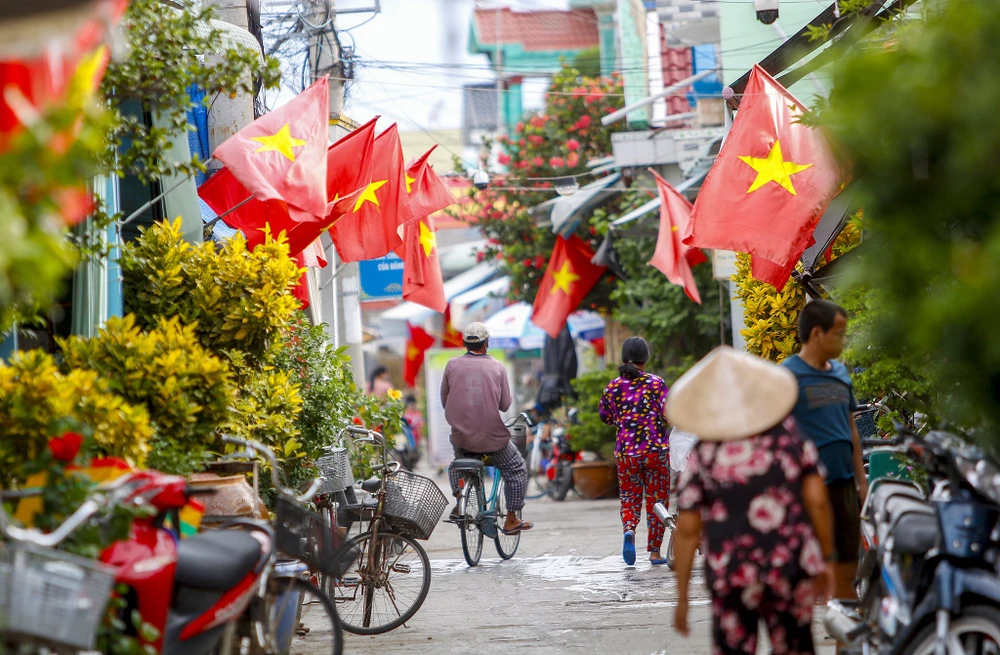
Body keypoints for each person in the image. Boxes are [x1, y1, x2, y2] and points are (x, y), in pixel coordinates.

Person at [670, 347, 836, 655]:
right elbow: (817, 500)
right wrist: (825, 558)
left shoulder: (706, 452)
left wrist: (682, 598)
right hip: (789, 566)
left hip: (731, 573)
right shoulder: (788, 437)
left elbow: (688, 527)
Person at [781, 299, 866, 604]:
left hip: (844, 486)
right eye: (839, 333)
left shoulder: (841, 373)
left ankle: (847, 645)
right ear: (817, 334)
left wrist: (861, 483)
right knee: (806, 577)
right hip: (806, 492)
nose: (843, 341)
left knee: (847, 573)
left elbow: (851, 429)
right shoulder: (787, 376)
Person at [441, 322, 533, 535]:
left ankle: (459, 500)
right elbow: (505, 405)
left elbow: (445, 401)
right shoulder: (497, 366)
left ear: (464, 343)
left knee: (459, 463)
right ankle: (511, 519)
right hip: (493, 439)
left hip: (461, 436)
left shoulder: (451, 365)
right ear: (487, 343)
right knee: (516, 468)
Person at [599, 337, 671, 566]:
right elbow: (668, 413)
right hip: (655, 451)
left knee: (629, 497)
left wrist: (623, 423)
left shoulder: (613, 387)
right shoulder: (656, 383)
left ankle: (629, 530)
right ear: (645, 358)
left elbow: (605, 416)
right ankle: (655, 552)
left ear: (623, 358)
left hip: (626, 453)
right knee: (657, 500)